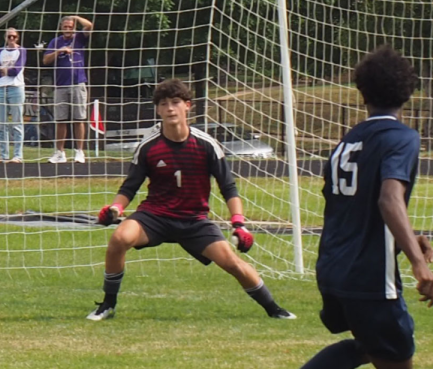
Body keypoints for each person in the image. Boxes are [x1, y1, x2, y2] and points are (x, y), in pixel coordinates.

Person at [246, 46, 433, 369]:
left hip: (333, 267)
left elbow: (356, 206)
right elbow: (389, 200)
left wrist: (411, 239)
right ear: (408, 91)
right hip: (369, 276)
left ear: (362, 91)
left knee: (367, 345)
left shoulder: (348, 140)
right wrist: (418, 262)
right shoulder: (402, 137)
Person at [88, 78, 295, 322]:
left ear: (188, 106)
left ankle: (274, 309)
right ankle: (108, 304)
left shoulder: (206, 145)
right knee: (119, 239)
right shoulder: (148, 146)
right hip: (155, 216)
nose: (170, 108)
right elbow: (130, 186)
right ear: (157, 110)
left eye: (176, 102)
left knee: (232, 263)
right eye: (163, 104)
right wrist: (115, 208)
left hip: (193, 220)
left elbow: (228, 187)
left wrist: (239, 223)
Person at [42, 14, 93, 164]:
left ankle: (79, 152)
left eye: (70, 27)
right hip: (60, 85)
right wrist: (59, 51)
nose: (68, 30)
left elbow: (89, 26)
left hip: (78, 83)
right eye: (65, 27)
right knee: (60, 120)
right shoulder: (55, 42)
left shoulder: (79, 38)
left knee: (79, 119)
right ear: (61, 28)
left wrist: (76, 17)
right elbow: (45, 60)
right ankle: (60, 152)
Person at [0, 27, 26, 162]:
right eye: (9, 37)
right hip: (1, 88)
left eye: (14, 37)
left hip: (16, 88)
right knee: (1, 124)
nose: (12, 39)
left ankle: (18, 155)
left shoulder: (21, 51)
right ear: (5, 38)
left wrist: (3, 70)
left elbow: (16, 70)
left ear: (17, 38)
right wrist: (4, 70)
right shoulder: (0, 51)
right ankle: (3, 155)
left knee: (17, 123)